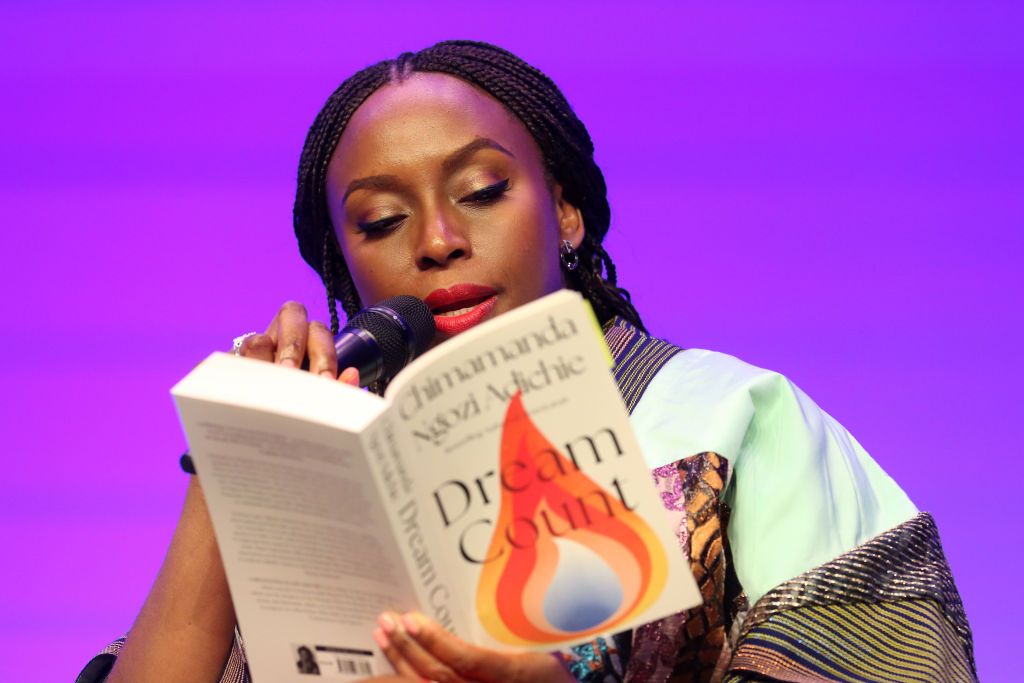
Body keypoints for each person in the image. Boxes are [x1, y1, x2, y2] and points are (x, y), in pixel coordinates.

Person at [77, 40, 977, 683]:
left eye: (482, 191)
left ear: (567, 213)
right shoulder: (319, 476)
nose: (437, 240)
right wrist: (232, 460)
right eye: (382, 220)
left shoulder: (731, 414)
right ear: (344, 268)